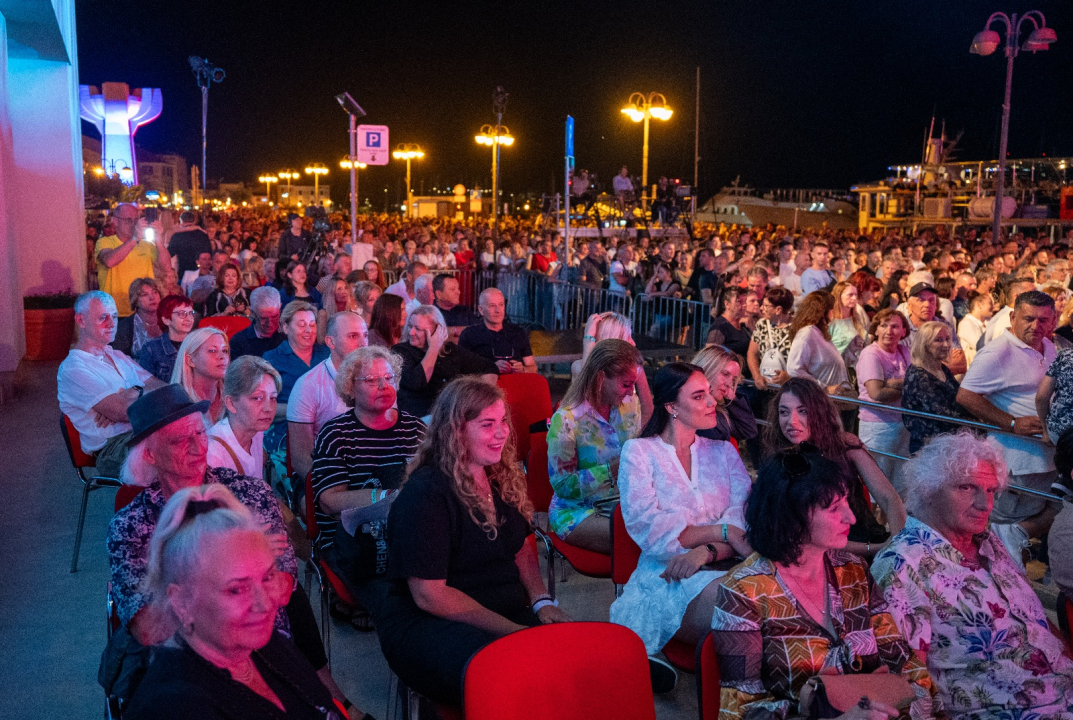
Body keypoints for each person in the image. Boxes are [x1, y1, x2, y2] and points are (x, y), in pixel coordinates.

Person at [373, 378, 569, 705]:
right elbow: (430, 596)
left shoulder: (499, 476)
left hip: (500, 608)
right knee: (511, 673)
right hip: (430, 624)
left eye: (503, 421)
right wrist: (510, 630)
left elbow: (520, 546)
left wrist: (540, 601)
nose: (502, 432)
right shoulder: (426, 493)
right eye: (487, 424)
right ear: (456, 431)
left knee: (568, 659)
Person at [712, 445, 937, 720]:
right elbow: (740, 708)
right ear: (792, 515)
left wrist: (905, 700)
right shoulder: (744, 591)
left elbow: (902, 662)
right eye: (834, 508)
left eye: (846, 502)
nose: (851, 518)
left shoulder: (853, 571)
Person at [872, 432, 1073, 720]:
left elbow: (1036, 621)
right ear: (929, 488)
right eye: (967, 488)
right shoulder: (903, 563)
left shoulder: (988, 542)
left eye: (991, 490)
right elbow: (906, 676)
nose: (985, 504)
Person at [123, 485, 346, 720]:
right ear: (182, 602)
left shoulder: (266, 646)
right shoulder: (176, 706)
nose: (265, 604)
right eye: (236, 589)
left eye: (267, 576)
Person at [609, 364, 752, 672]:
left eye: (709, 394)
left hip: (727, 564)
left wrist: (709, 549)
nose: (712, 402)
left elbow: (744, 522)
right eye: (699, 396)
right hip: (668, 576)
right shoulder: (639, 453)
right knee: (743, 602)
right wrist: (722, 531)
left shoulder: (724, 451)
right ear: (671, 406)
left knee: (765, 597)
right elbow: (653, 533)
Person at [957, 290, 1058, 564]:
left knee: (1057, 508)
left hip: (1045, 456)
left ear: (1053, 320)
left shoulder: (1050, 348)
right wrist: (1011, 423)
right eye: (1028, 318)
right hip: (1016, 459)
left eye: (1042, 320)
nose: (1035, 326)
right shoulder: (997, 352)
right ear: (1013, 317)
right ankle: (1004, 586)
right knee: (1006, 531)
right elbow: (965, 395)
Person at [764, 377, 906, 558]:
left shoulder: (844, 445)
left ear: (819, 412)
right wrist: (876, 550)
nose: (792, 421)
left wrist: (898, 541)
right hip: (827, 554)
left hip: (868, 536)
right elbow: (805, 537)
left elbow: (889, 498)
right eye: (784, 412)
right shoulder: (780, 462)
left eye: (803, 411)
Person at [311, 346, 425, 555]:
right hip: (355, 545)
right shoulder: (335, 434)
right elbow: (330, 501)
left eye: (389, 378)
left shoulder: (416, 428)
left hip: (411, 535)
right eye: (372, 380)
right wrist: (387, 497)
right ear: (351, 388)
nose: (384, 386)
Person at [547, 339, 651, 554]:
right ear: (601, 379)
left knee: (672, 528)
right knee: (641, 537)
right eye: (625, 384)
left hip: (625, 503)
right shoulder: (567, 420)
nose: (631, 392)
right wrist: (613, 469)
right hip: (578, 509)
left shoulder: (629, 405)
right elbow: (563, 486)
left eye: (633, 384)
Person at [58, 291, 166, 477]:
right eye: (102, 317)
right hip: (113, 448)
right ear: (81, 321)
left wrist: (133, 391)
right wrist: (136, 396)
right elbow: (123, 413)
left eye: (115, 316)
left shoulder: (117, 356)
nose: (111, 323)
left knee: (195, 438)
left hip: (142, 431)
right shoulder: (73, 369)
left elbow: (161, 388)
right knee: (176, 451)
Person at [287, 312, 368, 480]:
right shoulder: (308, 385)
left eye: (365, 336)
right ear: (331, 342)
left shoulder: (380, 378)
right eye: (353, 336)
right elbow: (301, 459)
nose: (362, 344)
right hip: (326, 474)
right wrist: (331, 489)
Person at [393, 305, 497, 418]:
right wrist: (433, 347)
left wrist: (479, 400)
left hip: (451, 416)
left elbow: (489, 367)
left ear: (437, 330)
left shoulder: (451, 350)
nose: (411, 332)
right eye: (409, 326)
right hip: (419, 418)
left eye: (418, 329)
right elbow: (417, 382)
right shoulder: (400, 351)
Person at [263, 301, 330, 452]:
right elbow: (263, 407)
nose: (308, 330)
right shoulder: (272, 360)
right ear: (285, 328)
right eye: (301, 324)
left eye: (312, 325)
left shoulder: (327, 355)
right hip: (287, 435)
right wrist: (303, 411)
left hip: (328, 432)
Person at [901, 321, 974, 458]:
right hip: (930, 448)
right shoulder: (918, 374)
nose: (946, 345)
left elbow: (958, 398)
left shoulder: (942, 368)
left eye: (947, 339)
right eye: (938, 340)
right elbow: (941, 414)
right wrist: (978, 424)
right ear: (925, 344)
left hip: (950, 443)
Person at [855, 309, 911, 481]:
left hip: (902, 424)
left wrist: (892, 383)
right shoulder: (871, 354)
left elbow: (918, 381)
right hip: (877, 426)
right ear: (876, 329)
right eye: (884, 326)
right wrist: (908, 386)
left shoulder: (904, 351)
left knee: (899, 484)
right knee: (876, 483)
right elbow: (876, 393)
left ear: (903, 331)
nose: (889, 331)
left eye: (895, 326)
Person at [207, 356, 281, 479]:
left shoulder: (256, 431)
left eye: (272, 398)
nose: (268, 408)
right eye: (257, 398)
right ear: (230, 403)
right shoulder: (214, 454)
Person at [96, 203, 171, 316]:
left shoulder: (146, 244)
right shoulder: (105, 242)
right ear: (115, 221)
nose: (133, 224)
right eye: (128, 220)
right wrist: (135, 238)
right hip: (116, 311)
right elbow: (110, 261)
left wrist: (159, 239)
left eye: (136, 220)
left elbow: (166, 267)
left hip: (143, 311)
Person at [786, 291, 851, 396]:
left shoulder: (820, 333)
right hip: (821, 400)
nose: (834, 312)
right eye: (831, 309)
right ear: (822, 312)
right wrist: (823, 387)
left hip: (835, 400)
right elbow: (794, 369)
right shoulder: (807, 333)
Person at [458, 288, 536, 374]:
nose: (497, 310)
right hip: (484, 385)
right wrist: (491, 368)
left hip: (515, 383)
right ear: (481, 310)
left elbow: (533, 367)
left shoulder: (518, 332)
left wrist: (523, 369)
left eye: (501, 305)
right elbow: (462, 370)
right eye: (492, 306)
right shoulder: (469, 334)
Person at [692, 345, 758, 443]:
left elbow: (748, 430)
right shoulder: (686, 405)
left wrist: (733, 398)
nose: (729, 384)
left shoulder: (718, 411)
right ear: (707, 368)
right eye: (725, 374)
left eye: (734, 379)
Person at [171, 327, 231, 425]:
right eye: (212, 351)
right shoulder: (177, 405)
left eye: (224, 350)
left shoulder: (235, 397)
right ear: (190, 361)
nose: (222, 356)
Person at [139, 294, 195, 382]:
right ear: (166, 320)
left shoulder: (199, 344)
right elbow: (146, 384)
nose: (189, 318)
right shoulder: (151, 349)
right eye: (182, 314)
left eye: (191, 313)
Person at [746, 286, 793, 391]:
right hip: (765, 387)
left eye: (766, 306)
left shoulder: (797, 329)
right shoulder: (762, 324)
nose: (761, 308)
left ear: (778, 309)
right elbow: (752, 353)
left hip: (788, 390)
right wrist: (757, 376)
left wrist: (789, 376)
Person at [229, 286, 286, 359]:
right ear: (253, 313)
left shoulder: (289, 336)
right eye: (264, 318)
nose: (269, 323)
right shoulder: (239, 342)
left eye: (274, 317)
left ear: (280, 307)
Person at [113, 278, 164, 358]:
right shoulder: (125, 327)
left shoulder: (169, 320)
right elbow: (119, 360)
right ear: (135, 300)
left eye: (155, 292)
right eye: (144, 294)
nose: (152, 297)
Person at [828, 280, 868, 367]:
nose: (854, 298)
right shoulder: (830, 321)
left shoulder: (856, 318)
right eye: (850, 295)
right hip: (838, 367)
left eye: (856, 295)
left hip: (858, 366)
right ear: (839, 296)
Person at [704, 286, 751, 359]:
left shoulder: (743, 325)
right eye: (739, 302)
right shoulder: (719, 327)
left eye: (744, 301)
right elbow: (711, 359)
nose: (744, 305)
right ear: (727, 304)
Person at [166, 210, 211, 278]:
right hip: (200, 271)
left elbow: (169, 253)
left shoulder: (177, 236)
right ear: (194, 221)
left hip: (184, 271)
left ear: (182, 221)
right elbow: (209, 252)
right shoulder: (203, 235)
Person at [956, 291, 994, 368]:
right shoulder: (966, 323)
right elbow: (980, 346)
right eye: (990, 303)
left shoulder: (990, 322)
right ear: (979, 305)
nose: (993, 306)